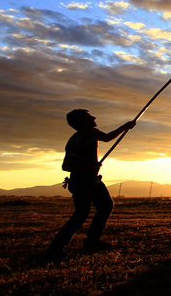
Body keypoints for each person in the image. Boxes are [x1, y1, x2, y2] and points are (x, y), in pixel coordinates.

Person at [45, 109, 136, 260]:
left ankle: (92, 241)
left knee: (106, 206)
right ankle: (55, 249)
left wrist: (125, 127)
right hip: (80, 181)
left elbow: (107, 138)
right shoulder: (76, 141)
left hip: (93, 180)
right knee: (81, 214)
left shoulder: (94, 133)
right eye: (89, 116)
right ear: (82, 121)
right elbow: (66, 166)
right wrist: (87, 168)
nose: (93, 117)